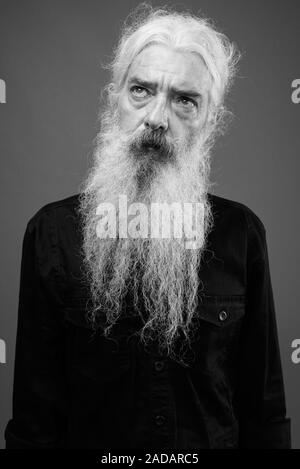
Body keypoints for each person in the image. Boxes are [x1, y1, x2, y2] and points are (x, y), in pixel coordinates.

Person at [5, 6, 291, 449]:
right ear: (114, 98)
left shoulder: (241, 234)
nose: (157, 117)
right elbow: (34, 423)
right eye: (141, 90)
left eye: (184, 100)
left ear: (210, 120)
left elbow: (265, 414)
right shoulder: (52, 234)